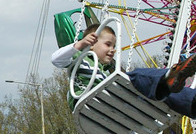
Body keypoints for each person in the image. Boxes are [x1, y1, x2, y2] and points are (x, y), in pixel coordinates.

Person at [51, 24, 196, 112]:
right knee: (135, 77)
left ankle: (191, 101)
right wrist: (79, 45)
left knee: (159, 92)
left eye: (114, 46)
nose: (112, 50)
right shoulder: (80, 60)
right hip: (89, 104)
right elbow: (56, 59)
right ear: (92, 43)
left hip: (110, 105)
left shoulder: (104, 73)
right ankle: (168, 75)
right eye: (108, 44)